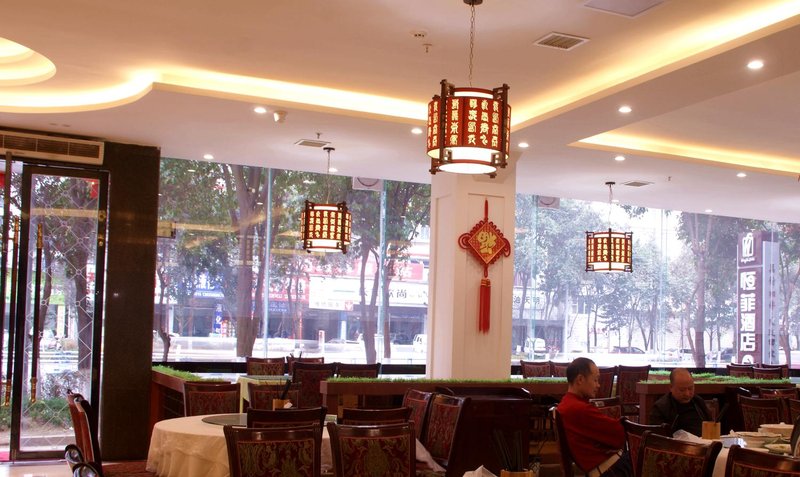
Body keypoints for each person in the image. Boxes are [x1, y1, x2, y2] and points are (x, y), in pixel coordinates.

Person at [557, 357, 633, 477]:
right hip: (611, 471)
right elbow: (619, 436)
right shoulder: (579, 409)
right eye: (595, 380)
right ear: (580, 379)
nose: (598, 385)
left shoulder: (566, 404)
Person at [648, 368, 711, 436]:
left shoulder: (698, 402)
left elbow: (711, 424)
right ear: (671, 387)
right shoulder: (661, 407)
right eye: (682, 390)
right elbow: (657, 437)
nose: (687, 394)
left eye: (690, 388)